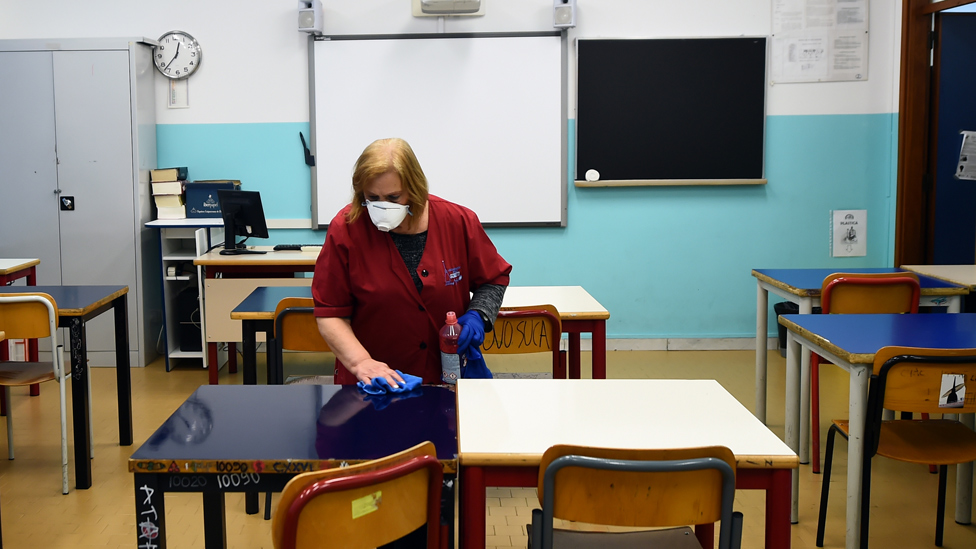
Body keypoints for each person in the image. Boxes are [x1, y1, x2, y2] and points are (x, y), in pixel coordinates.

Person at [312, 137, 512, 387]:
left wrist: (478, 315)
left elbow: (493, 279)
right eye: (372, 197)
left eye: (393, 197)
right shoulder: (346, 229)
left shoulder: (457, 221)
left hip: (446, 378)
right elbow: (330, 313)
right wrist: (360, 362)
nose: (382, 206)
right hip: (374, 382)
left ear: (414, 188)